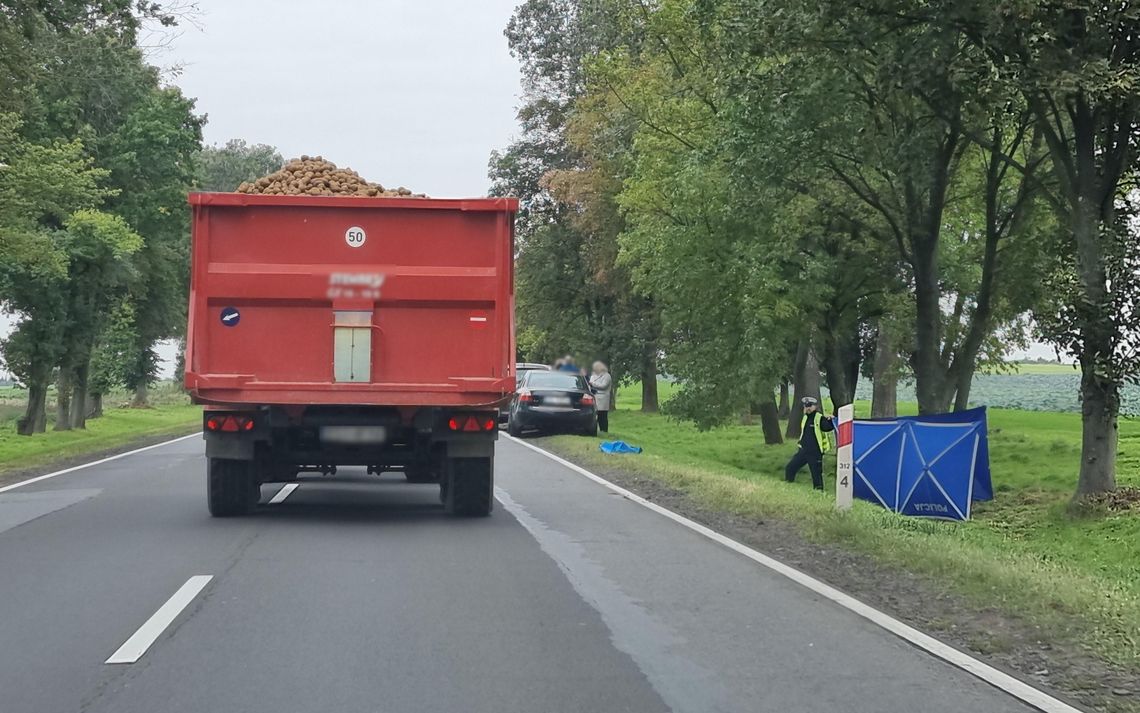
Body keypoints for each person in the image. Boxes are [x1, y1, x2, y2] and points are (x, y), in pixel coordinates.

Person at [784, 396, 835, 490]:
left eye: (810, 405)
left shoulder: (819, 418)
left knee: (816, 477)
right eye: (806, 406)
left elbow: (827, 427)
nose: (808, 408)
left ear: (815, 406)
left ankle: (819, 496)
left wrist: (832, 420)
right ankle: (788, 488)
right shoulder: (805, 418)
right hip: (803, 451)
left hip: (815, 453)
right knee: (790, 468)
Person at [589, 361, 613, 433]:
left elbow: (603, 386)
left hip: (603, 398)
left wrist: (593, 384)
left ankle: (604, 430)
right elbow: (590, 382)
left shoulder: (607, 376)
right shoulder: (593, 375)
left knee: (603, 415)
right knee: (595, 415)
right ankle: (595, 429)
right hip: (594, 396)